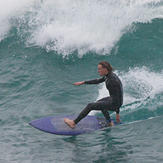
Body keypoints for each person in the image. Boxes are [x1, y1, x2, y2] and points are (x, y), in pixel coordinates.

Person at [64, 61, 123, 128]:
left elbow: (118, 97)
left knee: (90, 106)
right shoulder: (109, 76)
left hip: (115, 103)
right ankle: (109, 122)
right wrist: (84, 82)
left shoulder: (111, 81)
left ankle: (73, 123)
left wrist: (117, 112)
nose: (98, 71)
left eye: (99, 69)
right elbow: (98, 81)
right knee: (99, 103)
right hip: (115, 100)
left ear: (105, 69)